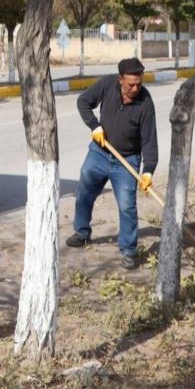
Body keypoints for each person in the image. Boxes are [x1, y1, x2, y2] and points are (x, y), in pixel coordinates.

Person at [68, 57, 159, 270]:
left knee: (127, 206)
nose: (136, 88)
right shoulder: (107, 84)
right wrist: (95, 126)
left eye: (139, 83)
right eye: (131, 84)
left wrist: (148, 172)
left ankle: (128, 250)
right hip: (100, 153)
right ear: (120, 79)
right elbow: (83, 102)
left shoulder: (145, 103)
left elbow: (150, 141)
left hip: (127, 160)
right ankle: (82, 233)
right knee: (84, 192)